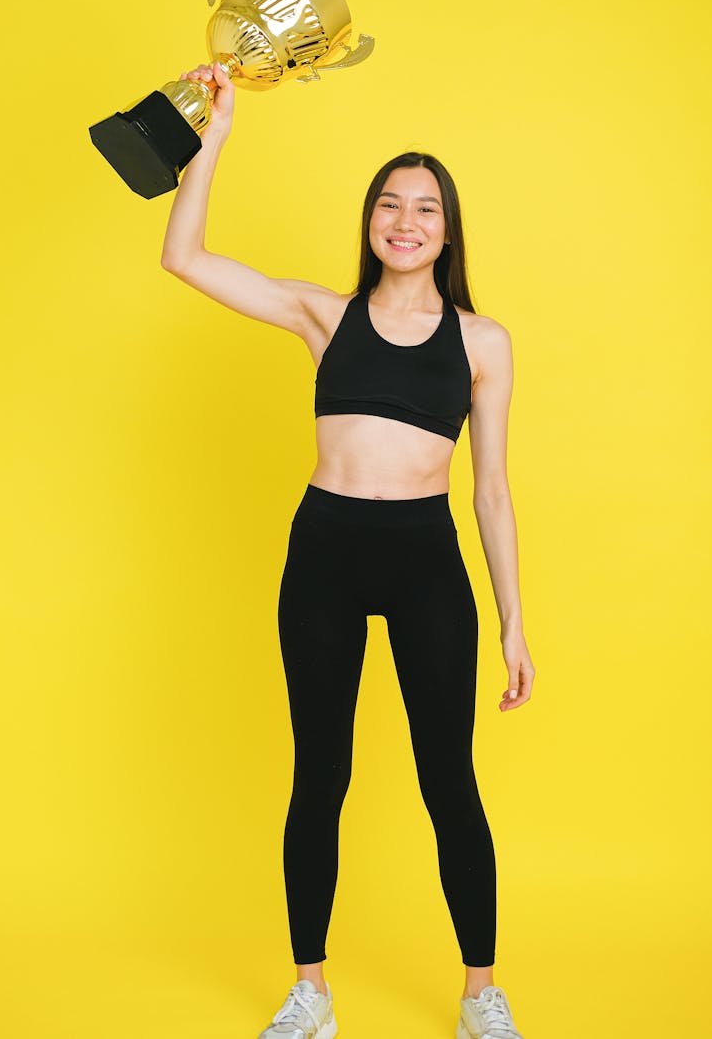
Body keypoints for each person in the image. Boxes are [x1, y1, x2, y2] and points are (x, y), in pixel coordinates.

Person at [161, 60, 536, 1039]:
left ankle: (480, 995)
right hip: (325, 551)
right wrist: (215, 140)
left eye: (424, 208)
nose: (403, 220)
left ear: (447, 231)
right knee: (319, 774)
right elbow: (186, 258)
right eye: (388, 204)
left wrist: (514, 626)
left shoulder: (482, 341)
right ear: (371, 222)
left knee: (447, 779)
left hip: (426, 562)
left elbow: (490, 490)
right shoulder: (323, 316)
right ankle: (311, 992)